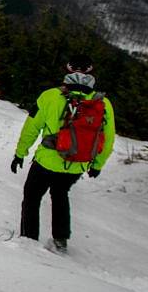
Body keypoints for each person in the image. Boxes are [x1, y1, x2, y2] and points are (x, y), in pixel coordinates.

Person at [10, 54, 116, 252]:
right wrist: (97, 165)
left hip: (47, 161)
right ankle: (60, 240)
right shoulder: (103, 104)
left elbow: (31, 127)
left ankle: (29, 240)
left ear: (67, 71)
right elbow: (108, 139)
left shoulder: (50, 96)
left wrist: (20, 153)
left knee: (32, 197)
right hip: (78, 163)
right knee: (60, 194)